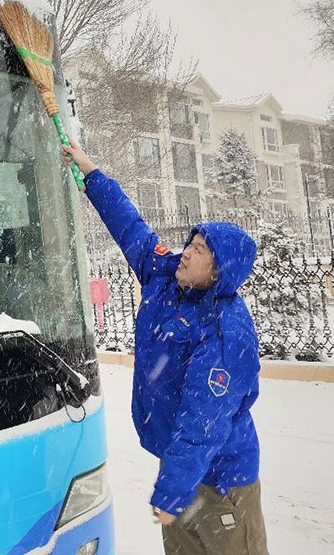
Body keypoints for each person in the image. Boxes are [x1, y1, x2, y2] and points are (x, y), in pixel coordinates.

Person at [64, 136, 269, 555]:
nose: (186, 253)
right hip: (180, 465)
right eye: (191, 243)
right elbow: (130, 226)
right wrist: (90, 172)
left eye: (200, 251)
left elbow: (203, 420)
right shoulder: (165, 278)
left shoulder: (224, 334)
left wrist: (173, 490)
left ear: (219, 273)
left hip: (221, 481)